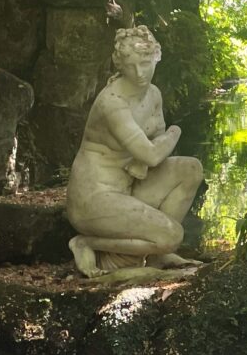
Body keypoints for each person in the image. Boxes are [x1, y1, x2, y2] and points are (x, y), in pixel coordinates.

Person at [67, 26, 204, 278]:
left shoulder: (153, 94)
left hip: (129, 185)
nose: (140, 73)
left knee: (191, 169)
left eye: (145, 63)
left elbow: (153, 149)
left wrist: (147, 156)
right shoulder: (113, 102)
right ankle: (87, 243)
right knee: (172, 235)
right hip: (95, 197)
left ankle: (157, 254)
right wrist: (176, 132)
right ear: (120, 65)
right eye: (130, 66)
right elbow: (153, 153)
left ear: (156, 57)